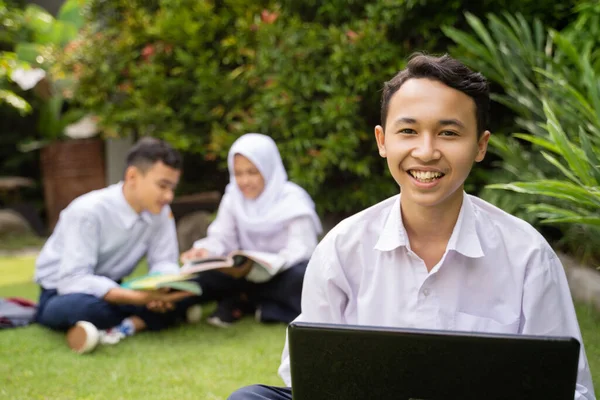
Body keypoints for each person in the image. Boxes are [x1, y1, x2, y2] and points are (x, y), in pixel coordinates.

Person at [228, 54, 596, 399]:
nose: (426, 151)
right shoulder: (341, 248)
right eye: (408, 131)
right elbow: (308, 377)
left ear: (481, 146)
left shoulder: (527, 255)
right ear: (382, 140)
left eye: (449, 133)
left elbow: (571, 389)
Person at [34, 137, 200, 354]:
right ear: (132, 176)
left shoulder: (160, 212)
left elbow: (164, 262)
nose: (169, 196)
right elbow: (72, 279)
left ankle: (124, 326)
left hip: (116, 288)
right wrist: (138, 299)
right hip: (62, 292)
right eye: (162, 186)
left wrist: (166, 287)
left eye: (172, 188)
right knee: (87, 308)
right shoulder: (88, 212)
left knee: (190, 292)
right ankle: (148, 318)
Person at [180, 133, 322, 328]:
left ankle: (243, 301)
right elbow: (222, 238)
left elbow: (303, 249)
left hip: (281, 274)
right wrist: (204, 251)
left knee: (303, 278)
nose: (244, 181)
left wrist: (265, 265)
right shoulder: (233, 197)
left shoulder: (293, 200)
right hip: (241, 274)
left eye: (252, 172)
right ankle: (256, 303)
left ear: (268, 169)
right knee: (199, 275)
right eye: (238, 173)